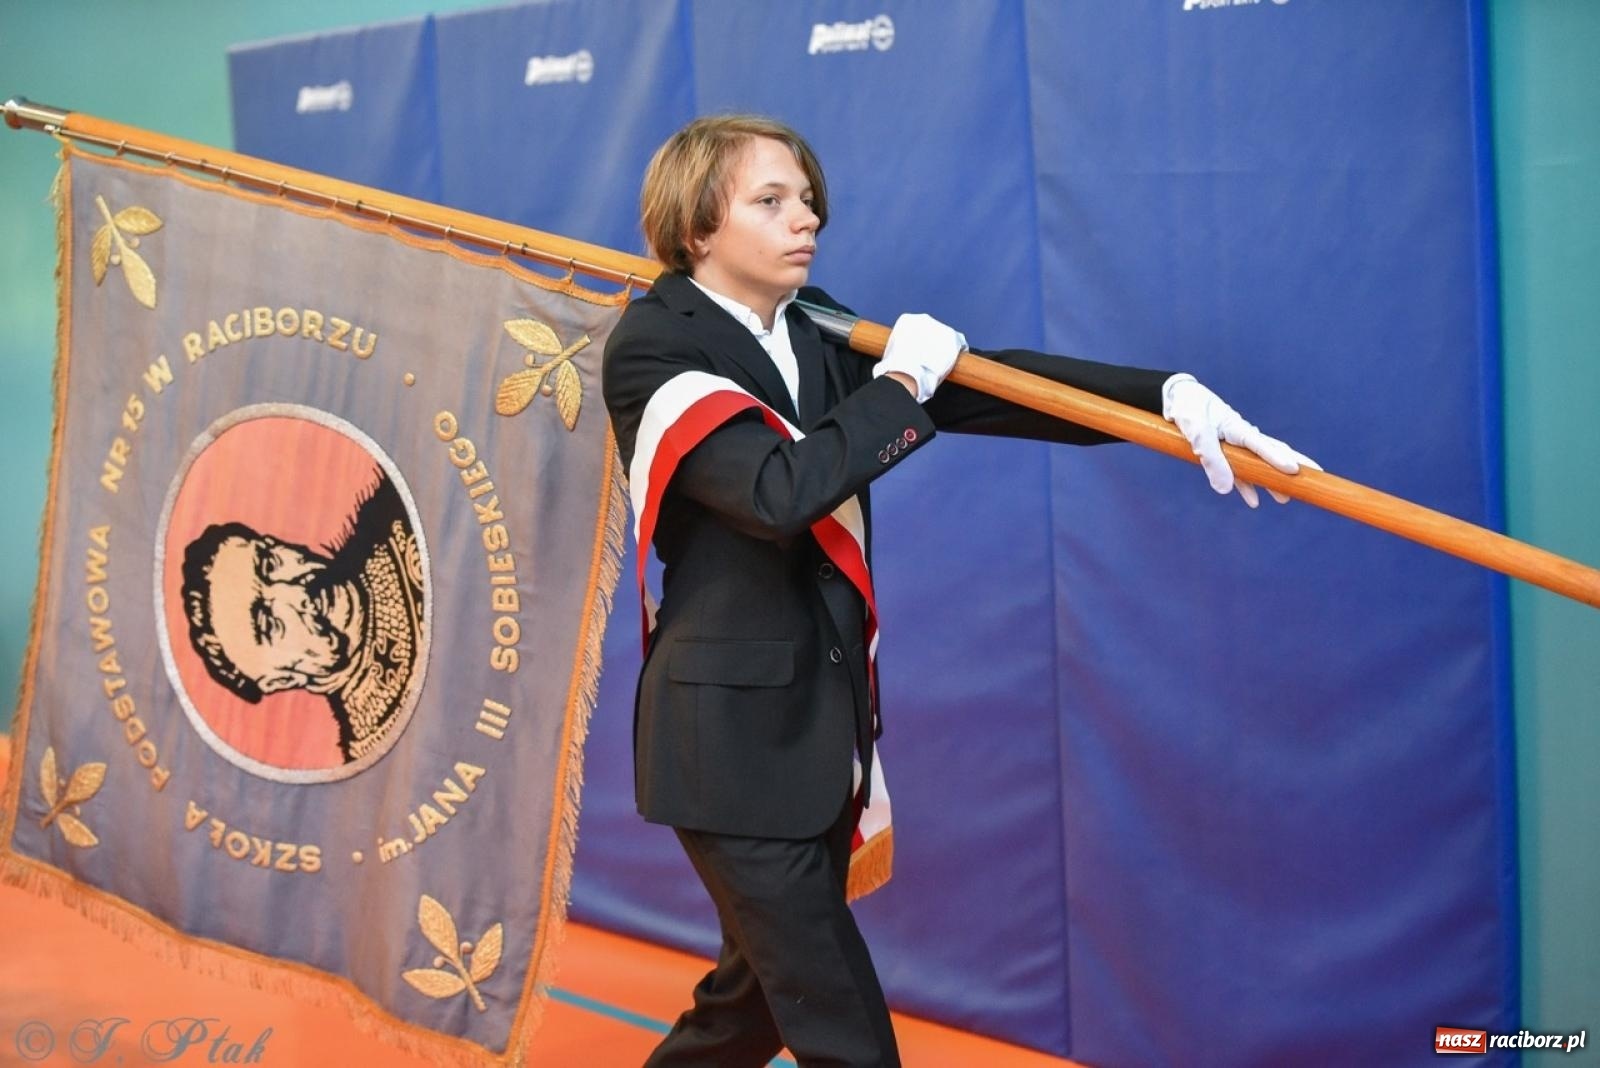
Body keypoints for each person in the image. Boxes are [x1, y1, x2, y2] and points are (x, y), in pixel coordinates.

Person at [601, 114, 1310, 1068]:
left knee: (747, 1013)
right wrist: (898, 389)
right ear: (696, 229)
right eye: (769, 201)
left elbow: (995, 388)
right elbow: (778, 495)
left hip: (812, 732)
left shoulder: (812, 326)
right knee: (845, 1032)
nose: (803, 217)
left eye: (806, 197)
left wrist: (1167, 401)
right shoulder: (654, 348)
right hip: (726, 746)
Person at [179, 471, 425, 764]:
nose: (295, 592)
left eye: (269, 565)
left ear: (279, 544)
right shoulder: (382, 766)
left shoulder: (401, 506)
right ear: (277, 679)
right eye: (268, 623)